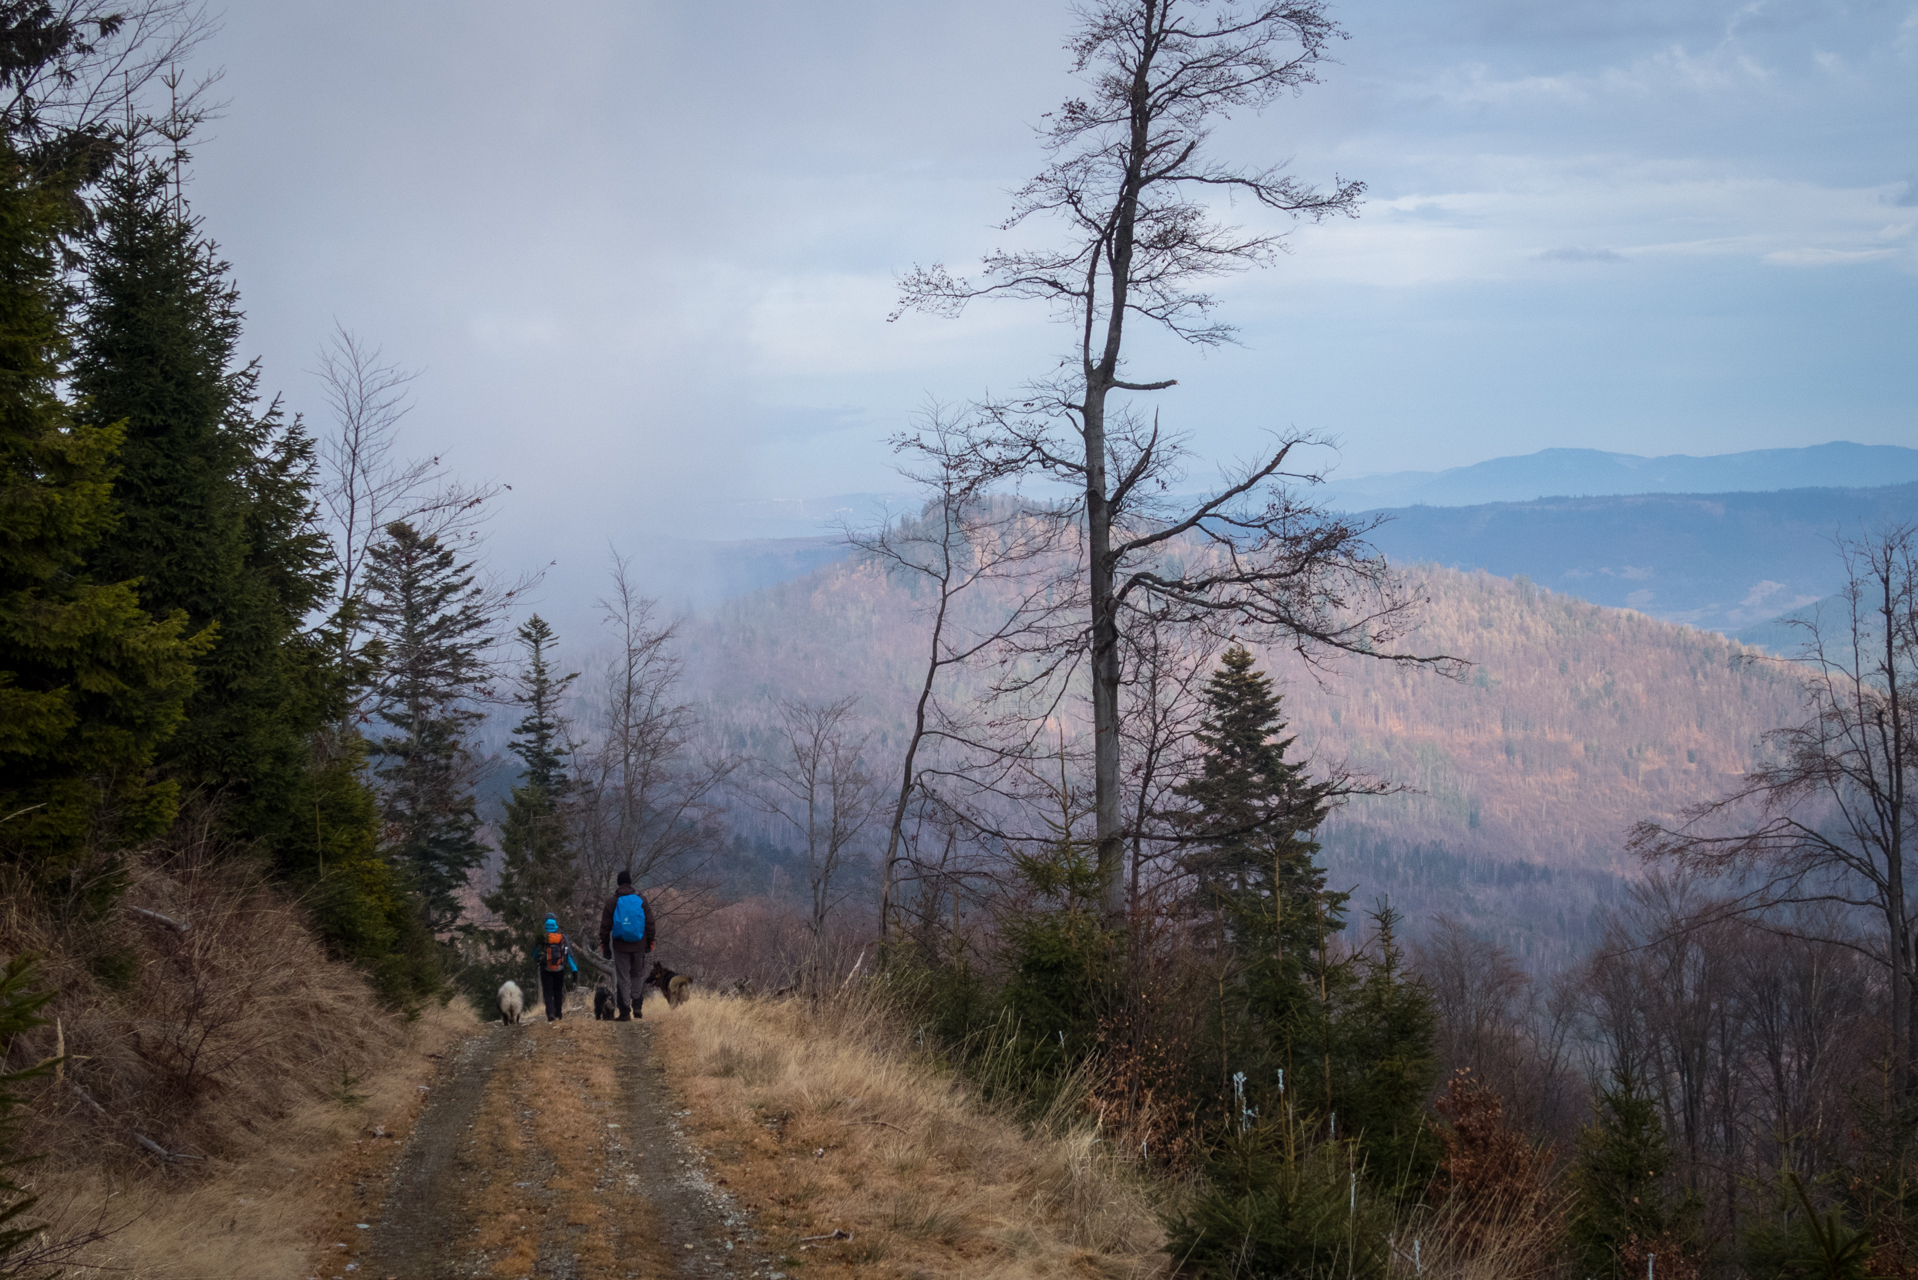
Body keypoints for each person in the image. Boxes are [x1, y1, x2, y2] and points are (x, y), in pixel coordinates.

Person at [598, 869, 654, 1021]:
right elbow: (650, 923)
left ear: (618, 883)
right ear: (630, 882)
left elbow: (604, 927)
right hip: (639, 945)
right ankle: (637, 1006)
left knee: (623, 978)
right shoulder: (641, 900)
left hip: (620, 946)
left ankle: (624, 1013)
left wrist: (605, 946)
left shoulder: (612, 902)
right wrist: (650, 942)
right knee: (637, 975)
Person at [535, 915, 577, 1022]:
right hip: (560, 969)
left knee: (548, 992)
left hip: (546, 969)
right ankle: (558, 1014)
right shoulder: (562, 937)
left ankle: (550, 1013)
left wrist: (539, 961)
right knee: (558, 991)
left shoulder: (542, 937)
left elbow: (535, 954)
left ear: (545, 924)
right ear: (555, 924)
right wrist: (574, 970)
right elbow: (569, 955)